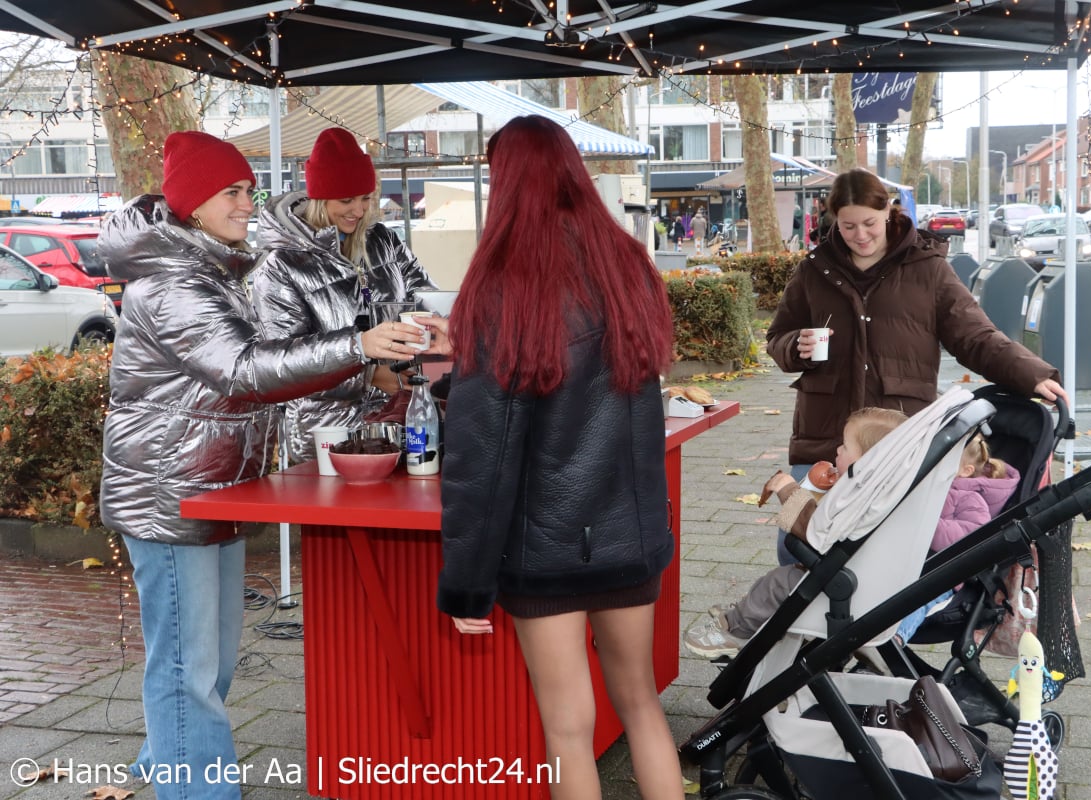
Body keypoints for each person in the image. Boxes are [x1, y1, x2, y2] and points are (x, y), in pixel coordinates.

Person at [97, 130, 422, 800]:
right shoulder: (174, 284)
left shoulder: (216, 269)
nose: (251, 203)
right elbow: (245, 370)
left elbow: (256, 373)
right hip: (171, 494)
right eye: (232, 192)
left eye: (249, 189)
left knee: (204, 665)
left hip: (213, 485)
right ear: (191, 206)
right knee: (189, 666)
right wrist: (359, 345)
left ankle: (165, 763)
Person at [436, 115, 683, 800]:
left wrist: (467, 581)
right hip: (629, 531)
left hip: (544, 547)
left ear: (505, 180)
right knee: (641, 706)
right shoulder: (626, 265)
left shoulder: (502, 287)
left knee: (567, 732)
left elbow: (482, 459)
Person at [766, 167, 1066, 565]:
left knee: (885, 553)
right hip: (824, 435)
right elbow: (777, 338)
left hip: (901, 435)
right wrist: (794, 346)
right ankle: (799, 623)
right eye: (848, 225)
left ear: (889, 211)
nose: (860, 235)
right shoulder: (813, 270)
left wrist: (1033, 375)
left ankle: (863, 626)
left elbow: (974, 335)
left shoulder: (928, 268)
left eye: (869, 223)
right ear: (833, 219)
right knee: (792, 540)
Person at [253, 127, 440, 463]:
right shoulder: (282, 264)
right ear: (320, 198)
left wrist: (434, 343)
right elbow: (282, 366)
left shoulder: (382, 239)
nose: (359, 209)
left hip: (392, 424)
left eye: (366, 197)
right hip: (324, 435)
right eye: (346, 200)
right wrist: (370, 374)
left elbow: (425, 300)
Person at [684, 407, 906, 659]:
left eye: (845, 447)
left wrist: (788, 490)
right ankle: (745, 615)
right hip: (871, 586)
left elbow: (815, 533)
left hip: (844, 591)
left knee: (778, 583)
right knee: (778, 582)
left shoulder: (860, 499)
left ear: (867, 461)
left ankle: (735, 629)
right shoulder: (883, 494)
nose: (837, 450)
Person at [892, 434, 1019, 646]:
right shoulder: (926, 489)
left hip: (943, 574)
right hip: (907, 564)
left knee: (920, 597)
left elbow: (970, 536)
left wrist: (927, 524)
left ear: (965, 471)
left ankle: (895, 639)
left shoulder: (970, 498)